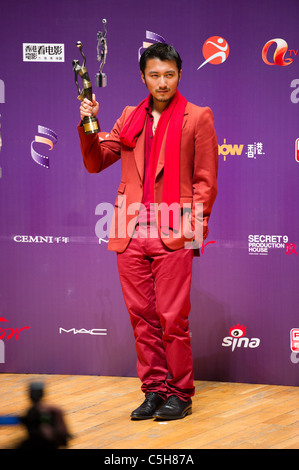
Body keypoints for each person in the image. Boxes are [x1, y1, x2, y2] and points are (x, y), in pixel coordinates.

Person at [78, 43, 218, 420]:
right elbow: (96, 162)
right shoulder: (129, 116)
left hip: (175, 228)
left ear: (179, 75)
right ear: (143, 77)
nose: (162, 82)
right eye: (154, 75)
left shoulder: (197, 116)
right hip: (129, 229)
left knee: (173, 317)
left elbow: (205, 181)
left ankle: (181, 393)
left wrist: (193, 233)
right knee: (142, 315)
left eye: (169, 74)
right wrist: (89, 122)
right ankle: (154, 390)